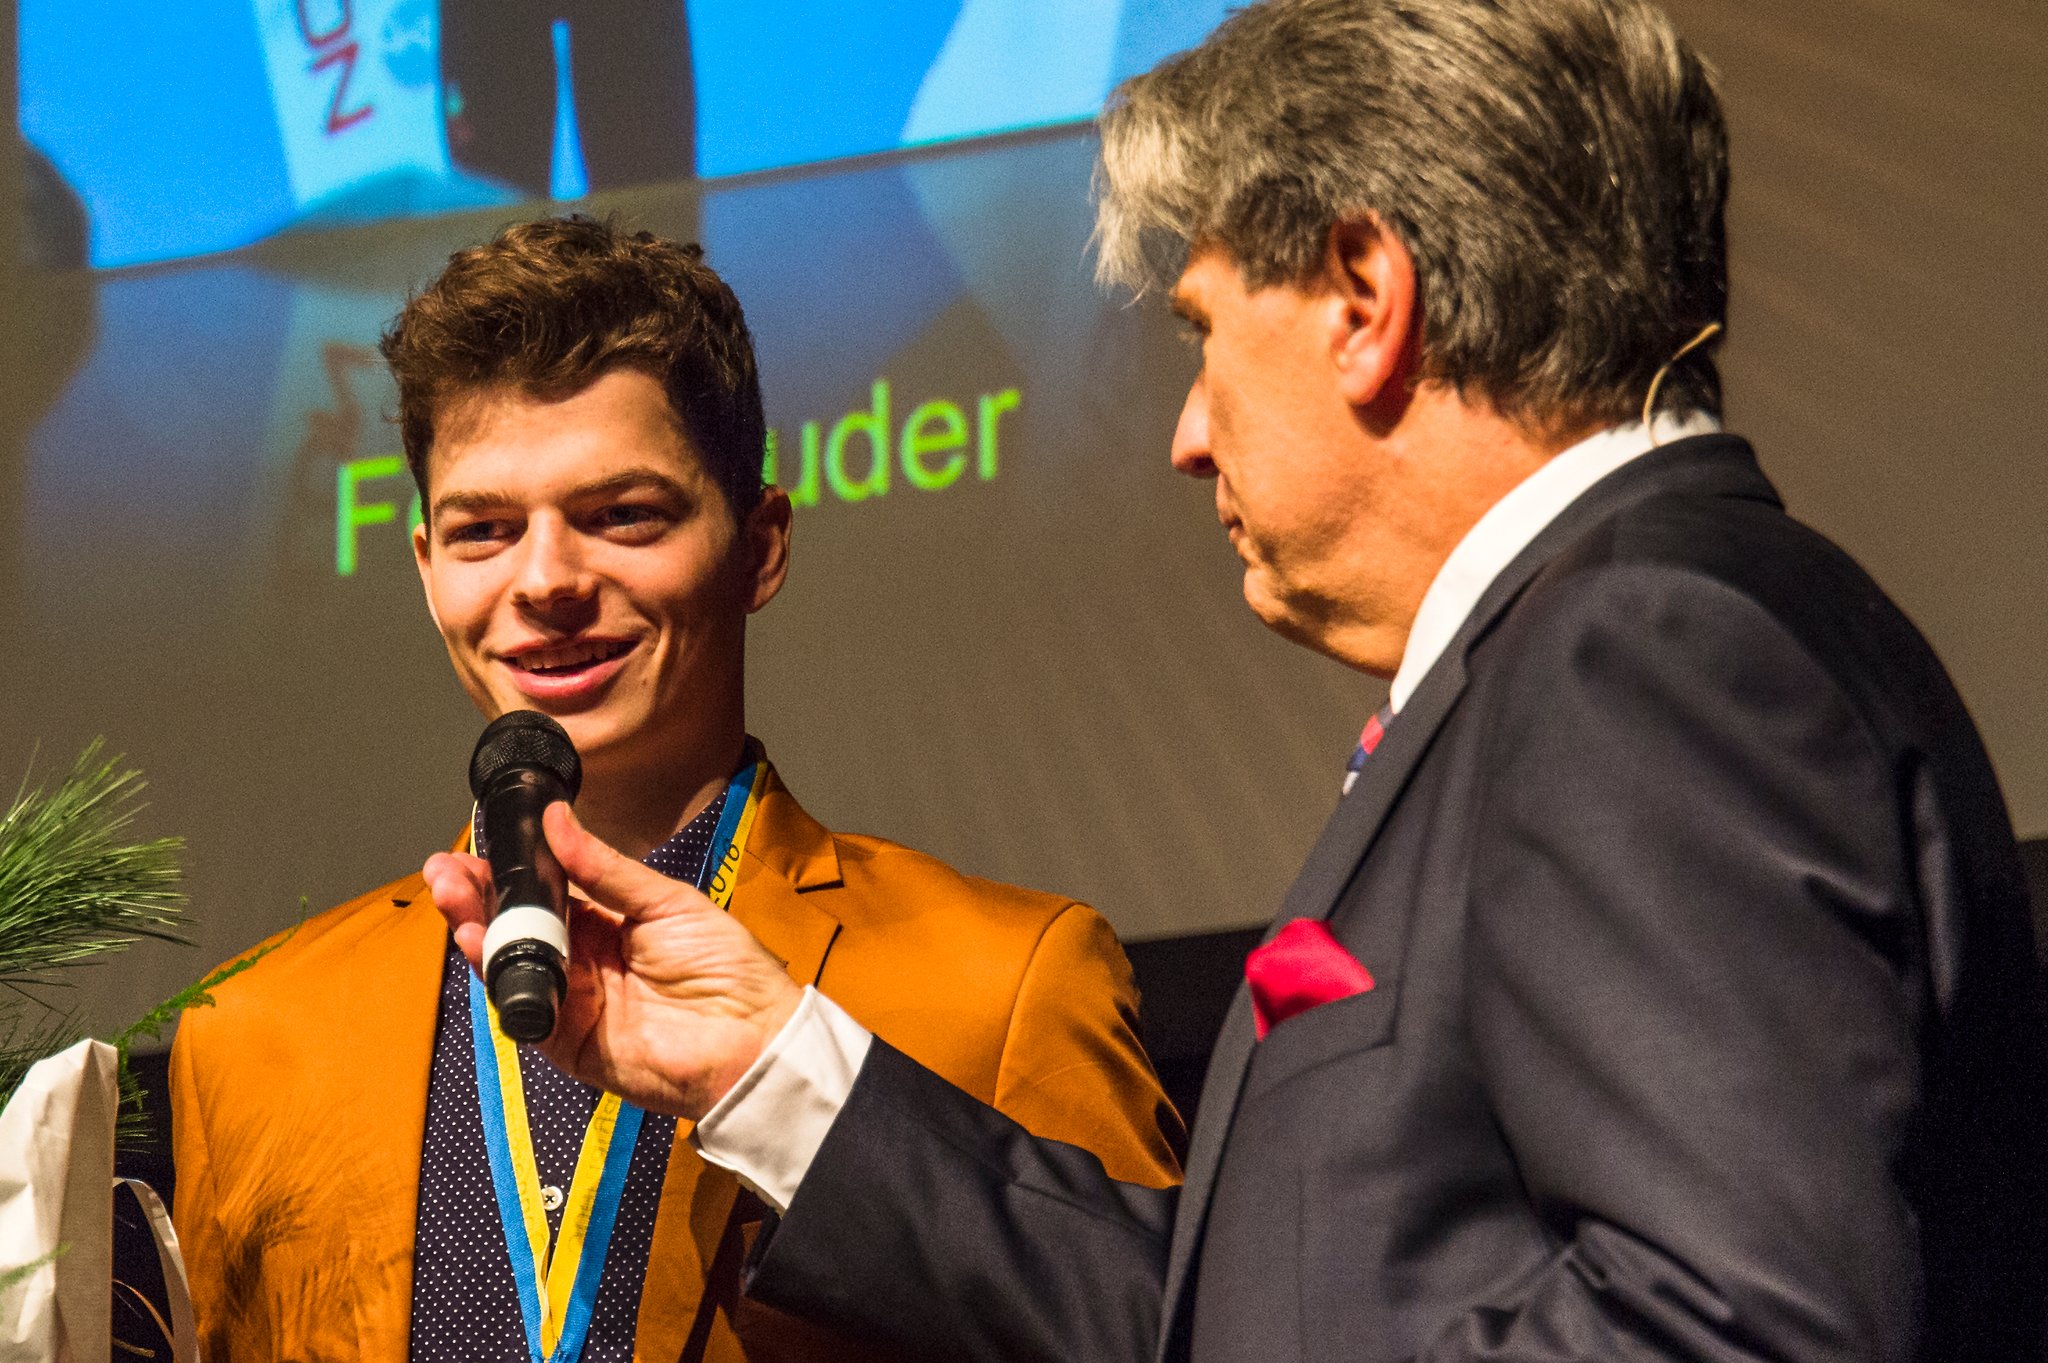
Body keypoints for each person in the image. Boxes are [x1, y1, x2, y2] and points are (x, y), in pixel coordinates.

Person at [429, 2, 2048, 1360]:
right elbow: (1244, 1319)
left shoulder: (1642, 654)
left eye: (1201, 329)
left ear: (1363, 300)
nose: (1186, 431)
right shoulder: (1650, 626)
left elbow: (1735, 1328)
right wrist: (767, 1063)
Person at [168, 216, 1183, 1363]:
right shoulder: (252, 1034)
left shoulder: (1007, 987)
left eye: (622, 516)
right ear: (425, 567)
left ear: (760, 545)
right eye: (483, 530)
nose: (546, 579)